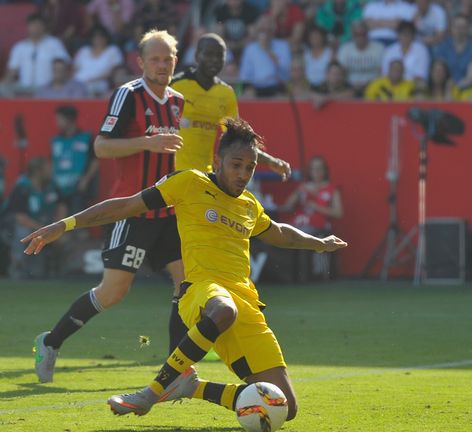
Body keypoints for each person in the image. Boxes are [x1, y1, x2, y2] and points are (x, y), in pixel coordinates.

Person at [22, 117, 348, 423]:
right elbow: (125, 205)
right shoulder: (190, 183)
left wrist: (320, 242)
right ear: (217, 161)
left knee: (285, 406)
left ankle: (192, 387)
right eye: (236, 165)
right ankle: (153, 391)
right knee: (222, 309)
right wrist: (64, 225)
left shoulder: (249, 205)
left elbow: (280, 233)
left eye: (249, 168)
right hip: (202, 289)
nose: (242, 173)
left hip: (246, 302)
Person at [32, 30, 187, 384]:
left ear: (175, 61)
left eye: (168, 59)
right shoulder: (128, 95)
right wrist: (147, 143)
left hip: (168, 211)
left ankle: (176, 370)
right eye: (155, 59)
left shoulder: (178, 101)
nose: (162, 65)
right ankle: (50, 342)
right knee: (113, 292)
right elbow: (102, 147)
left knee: (186, 283)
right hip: (130, 209)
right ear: (141, 62)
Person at [172, 33, 293, 179]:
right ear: (197, 56)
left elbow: (237, 139)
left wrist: (271, 161)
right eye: (209, 55)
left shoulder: (226, 93)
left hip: (203, 176)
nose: (214, 60)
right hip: (172, 173)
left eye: (219, 56)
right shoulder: (176, 85)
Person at [281, 155, 344, 279]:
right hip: (300, 224)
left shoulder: (332, 189)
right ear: (310, 171)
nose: (317, 172)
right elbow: (287, 206)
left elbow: (339, 213)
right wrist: (299, 190)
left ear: (325, 171)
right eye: (314, 169)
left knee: (303, 233)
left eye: (320, 169)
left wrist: (317, 207)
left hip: (320, 226)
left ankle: (308, 275)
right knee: (285, 232)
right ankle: (290, 275)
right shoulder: (304, 188)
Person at [8, 157, 66, 279]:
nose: (51, 171)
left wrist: (60, 225)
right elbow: (20, 217)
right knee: (22, 231)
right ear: (38, 172)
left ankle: (59, 273)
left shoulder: (53, 186)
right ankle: (17, 268)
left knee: (65, 235)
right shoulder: (22, 187)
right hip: (25, 226)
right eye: (48, 169)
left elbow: (62, 205)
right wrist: (44, 229)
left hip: (46, 225)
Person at [2, 13, 70, 96]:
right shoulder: (19, 47)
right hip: (24, 87)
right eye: (32, 25)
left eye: (38, 25)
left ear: (44, 27)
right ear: (27, 27)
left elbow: (64, 65)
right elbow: (12, 70)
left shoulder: (54, 44)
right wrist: (7, 81)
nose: (35, 28)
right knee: (2, 87)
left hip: (47, 86)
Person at [50, 105, 99, 214]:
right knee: (60, 221)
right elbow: (53, 163)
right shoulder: (56, 140)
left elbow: (95, 161)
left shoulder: (86, 138)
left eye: (59, 119)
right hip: (59, 187)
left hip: (79, 187)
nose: (56, 123)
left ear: (69, 119)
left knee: (79, 219)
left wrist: (86, 180)